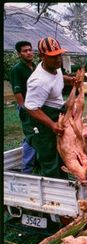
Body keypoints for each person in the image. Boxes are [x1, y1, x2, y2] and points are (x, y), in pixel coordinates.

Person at [24, 37, 79, 178]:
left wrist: (71, 80)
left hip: (56, 113)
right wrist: (51, 124)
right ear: (42, 56)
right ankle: (54, 194)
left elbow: (58, 78)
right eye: (53, 57)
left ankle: (63, 183)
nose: (58, 59)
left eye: (59, 54)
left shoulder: (55, 67)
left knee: (62, 153)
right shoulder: (38, 81)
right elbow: (30, 108)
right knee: (50, 158)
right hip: (41, 120)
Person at [10, 41, 37, 174]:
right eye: (25, 51)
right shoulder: (17, 69)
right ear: (19, 53)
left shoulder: (35, 67)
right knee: (31, 135)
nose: (29, 53)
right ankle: (27, 170)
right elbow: (17, 92)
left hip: (38, 107)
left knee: (37, 133)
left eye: (30, 50)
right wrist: (24, 109)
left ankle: (36, 163)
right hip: (27, 107)